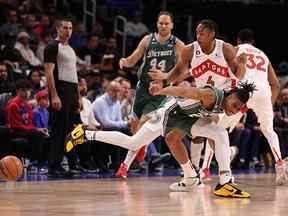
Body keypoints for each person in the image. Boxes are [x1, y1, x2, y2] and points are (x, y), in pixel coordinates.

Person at [65, 82, 255, 198]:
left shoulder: (222, 106)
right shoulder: (210, 95)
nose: (234, 109)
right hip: (168, 114)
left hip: (186, 119)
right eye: (234, 104)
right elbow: (184, 91)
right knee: (133, 143)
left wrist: (221, 151)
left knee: (218, 133)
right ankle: (86, 134)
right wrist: (161, 90)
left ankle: (210, 180)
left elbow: (211, 129)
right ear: (229, 95)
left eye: (238, 108)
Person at [148, 19, 247, 192]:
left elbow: (237, 74)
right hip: (202, 98)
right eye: (197, 32)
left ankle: (220, 176)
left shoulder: (224, 48)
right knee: (194, 136)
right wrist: (164, 80)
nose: (198, 35)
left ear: (212, 34)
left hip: (219, 97)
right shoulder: (189, 50)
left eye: (202, 32)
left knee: (215, 133)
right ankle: (200, 174)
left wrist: (242, 67)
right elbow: (178, 72)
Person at [197, 28, 287, 185]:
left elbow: (227, 72)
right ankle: (280, 165)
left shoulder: (236, 49)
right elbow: (276, 84)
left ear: (238, 40)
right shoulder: (263, 55)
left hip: (244, 90)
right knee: (268, 130)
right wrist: (268, 104)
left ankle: (204, 170)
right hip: (263, 91)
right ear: (253, 42)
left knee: (215, 129)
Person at [116, 11, 185, 178]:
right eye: (161, 23)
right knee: (134, 126)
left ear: (172, 25)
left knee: (142, 126)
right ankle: (144, 146)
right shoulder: (148, 40)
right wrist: (125, 61)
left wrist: (168, 78)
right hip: (142, 89)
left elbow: (184, 70)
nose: (163, 26)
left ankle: (124, 166)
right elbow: (133, 60)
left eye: (166, 23)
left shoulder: (177, 44)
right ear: (157, 24)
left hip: (160, 91)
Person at [44, 18, 81, 177]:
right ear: (58, 29)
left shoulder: (71, 49)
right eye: (65, 27)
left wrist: (78, 97)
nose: (68, 30)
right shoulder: (52, 47)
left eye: (71, 28)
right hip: (60, 89)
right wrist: (54, 95)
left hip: (72, 91)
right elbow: (48, 73)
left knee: (72, 130)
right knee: (59, 130)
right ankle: (54, 165)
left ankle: (73, 163)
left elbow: (74, 75)